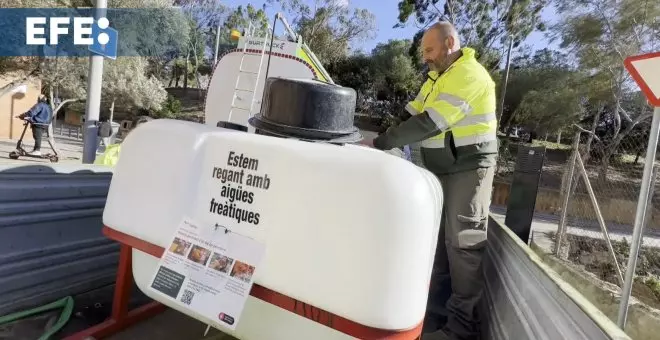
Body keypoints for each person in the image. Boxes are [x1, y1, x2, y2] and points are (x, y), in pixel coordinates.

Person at [360, 22, 498, 340]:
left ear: (450, 43)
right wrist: (380, 137)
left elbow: (429, 123)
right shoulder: (437, 78)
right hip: (442, 168)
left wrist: (382, 143)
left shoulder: (470, 74)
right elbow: (411, 114)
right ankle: (435, 316)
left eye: (429, 50)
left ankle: (462, 329)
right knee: (435, 242)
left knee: (462, 243)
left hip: (469, 167)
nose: (425, 58)